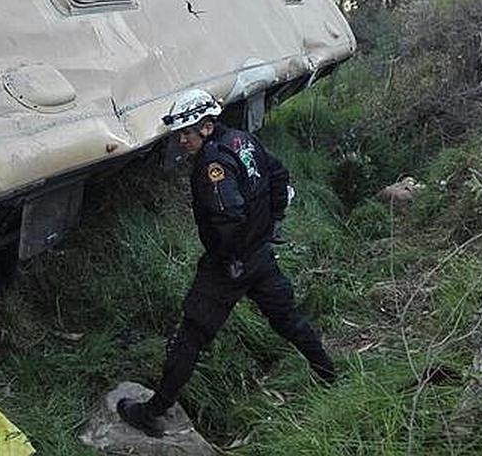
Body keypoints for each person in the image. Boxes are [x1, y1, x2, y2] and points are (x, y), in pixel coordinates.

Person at [117, 89, 335, 438]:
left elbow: (229, 216)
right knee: (288, 319)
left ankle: (153, 411)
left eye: (187, 133)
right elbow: (278, 175)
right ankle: (329, 374)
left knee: (190, 335)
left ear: (206, 127)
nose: (182, 141)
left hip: (230, 266)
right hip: (261, 257)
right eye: (178, 135)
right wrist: (273, 222)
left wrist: (231, 258)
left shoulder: (211, 164)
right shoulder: (243, 140)